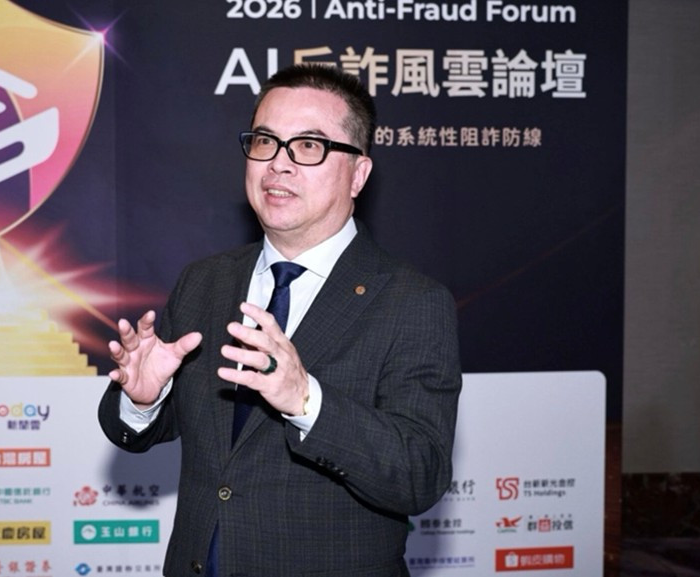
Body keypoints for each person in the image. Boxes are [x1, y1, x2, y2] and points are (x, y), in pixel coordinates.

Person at [98, 63, 461, 577]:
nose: (278, 164)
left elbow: (420, 474)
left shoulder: (412, 301)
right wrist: (144, 401)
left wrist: (306, 400)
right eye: (266, 141)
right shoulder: (206, 282)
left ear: (358, 174)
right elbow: (160, 429)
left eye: (309, 146)